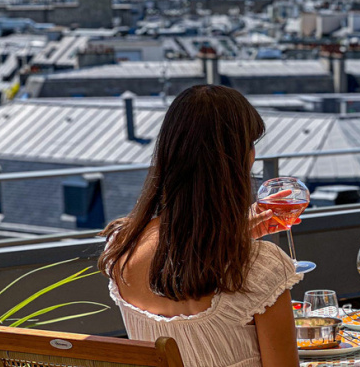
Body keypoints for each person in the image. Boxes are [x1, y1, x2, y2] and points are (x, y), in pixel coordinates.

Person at [99, 85, 302, 367]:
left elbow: (178, 257)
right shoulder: (259, 269)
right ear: (241, 158)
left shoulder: (123, 246)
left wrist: (232, 235)